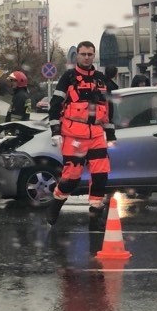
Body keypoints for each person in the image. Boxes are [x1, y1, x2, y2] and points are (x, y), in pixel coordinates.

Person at [46, 40, 116, 228]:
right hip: (74, 135)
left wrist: (110, 135)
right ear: (77, 55)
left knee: (101, 176)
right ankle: (56, 202)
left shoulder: (101, 80)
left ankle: (95, 214)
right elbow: (55, 105)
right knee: (71, 178)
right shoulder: (68, 77)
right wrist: (55, 131)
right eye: (83, 54)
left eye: (90, 54)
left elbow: (108, 109)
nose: (86, 57)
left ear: (94, 55)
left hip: (96, 135)